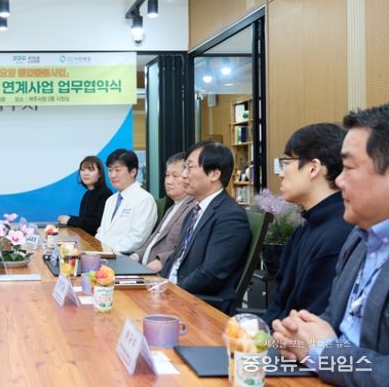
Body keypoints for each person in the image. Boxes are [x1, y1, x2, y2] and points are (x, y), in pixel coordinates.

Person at [273, 104, 389, 385]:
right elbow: (332, 321)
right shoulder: (359, 238)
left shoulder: (340, 233)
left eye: (349, 167)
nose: (339, 180)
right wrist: (294, 336)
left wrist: (325, 354)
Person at [263, 124, 353, 324]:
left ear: (313, 168)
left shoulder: (339, 234)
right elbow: (279, 301)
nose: (281, 173)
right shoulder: (307, 226)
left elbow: (311, 322)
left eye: (286, 162)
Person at [161, 140, 250, 313]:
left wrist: (172, 291)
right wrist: (159, 285)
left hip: (199, 307)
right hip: (174, 295)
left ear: (214, 174)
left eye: (189, 167)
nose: (184, 175)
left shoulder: (230, 216)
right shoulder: (195, 211)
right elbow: (177, 257)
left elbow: (211, 273)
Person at [130, 152, 194, 272]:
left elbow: (187, 248)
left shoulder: (194, 208)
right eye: (167, 175)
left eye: (175, 176)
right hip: (142, 268)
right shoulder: (172, 207)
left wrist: (161, 262)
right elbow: (152, 242)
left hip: (161, 273)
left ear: (188, 176)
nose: (168, 181)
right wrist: (135, 256)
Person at [95, 148, 157, 254]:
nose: (112, 175)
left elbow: (137, 239)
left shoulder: (145, 200)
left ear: (132, 172)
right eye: (110, 170)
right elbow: (102, 231)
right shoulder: (110, 200)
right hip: (103, 254)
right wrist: (96, 248)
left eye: (117, 170)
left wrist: (108, 251)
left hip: (124, 257)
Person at [57, 155, 112, 236]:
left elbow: (97, 224)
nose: (85, 173)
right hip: (85, 239)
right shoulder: (87, 194)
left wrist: (70, 220)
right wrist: (67, 218)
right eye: (82, 170)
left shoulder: (105, 194)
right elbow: (84, 220)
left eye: (91, 170)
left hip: (97, 241)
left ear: (100, 174)